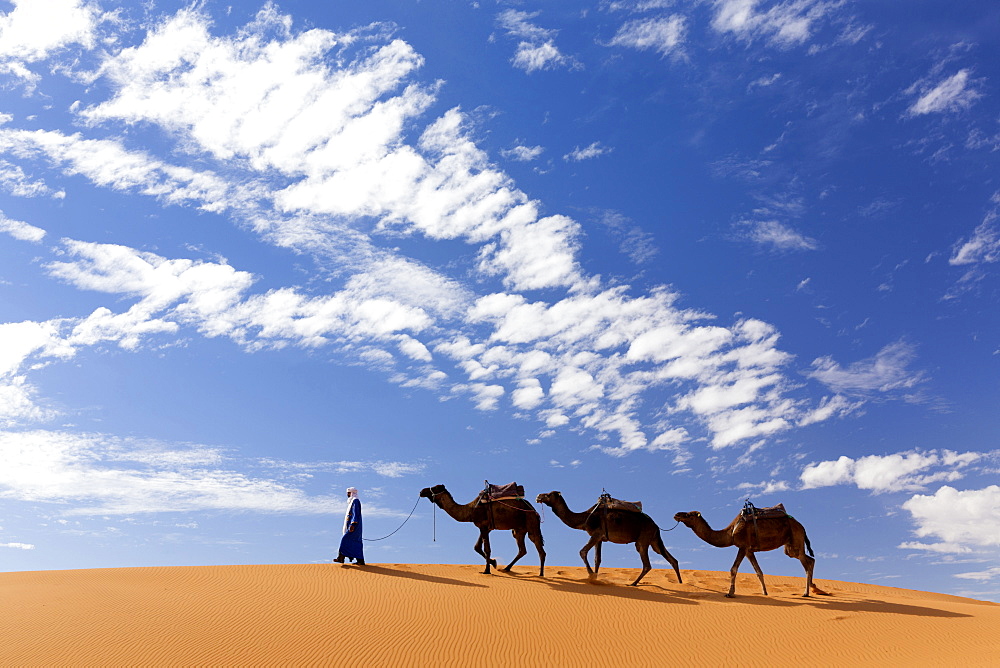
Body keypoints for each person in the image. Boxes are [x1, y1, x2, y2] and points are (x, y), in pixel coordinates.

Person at [333, 487, 365, 565]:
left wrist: (353, 524)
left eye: (348, 493)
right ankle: (359, 560)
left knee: (345, 540)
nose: (347, 494)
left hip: (354, 526)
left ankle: (341, 557)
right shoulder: (352, 502)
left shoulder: (355, 501)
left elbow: (356, 513)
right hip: (352, 526)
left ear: (352, 493)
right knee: (354, 542)